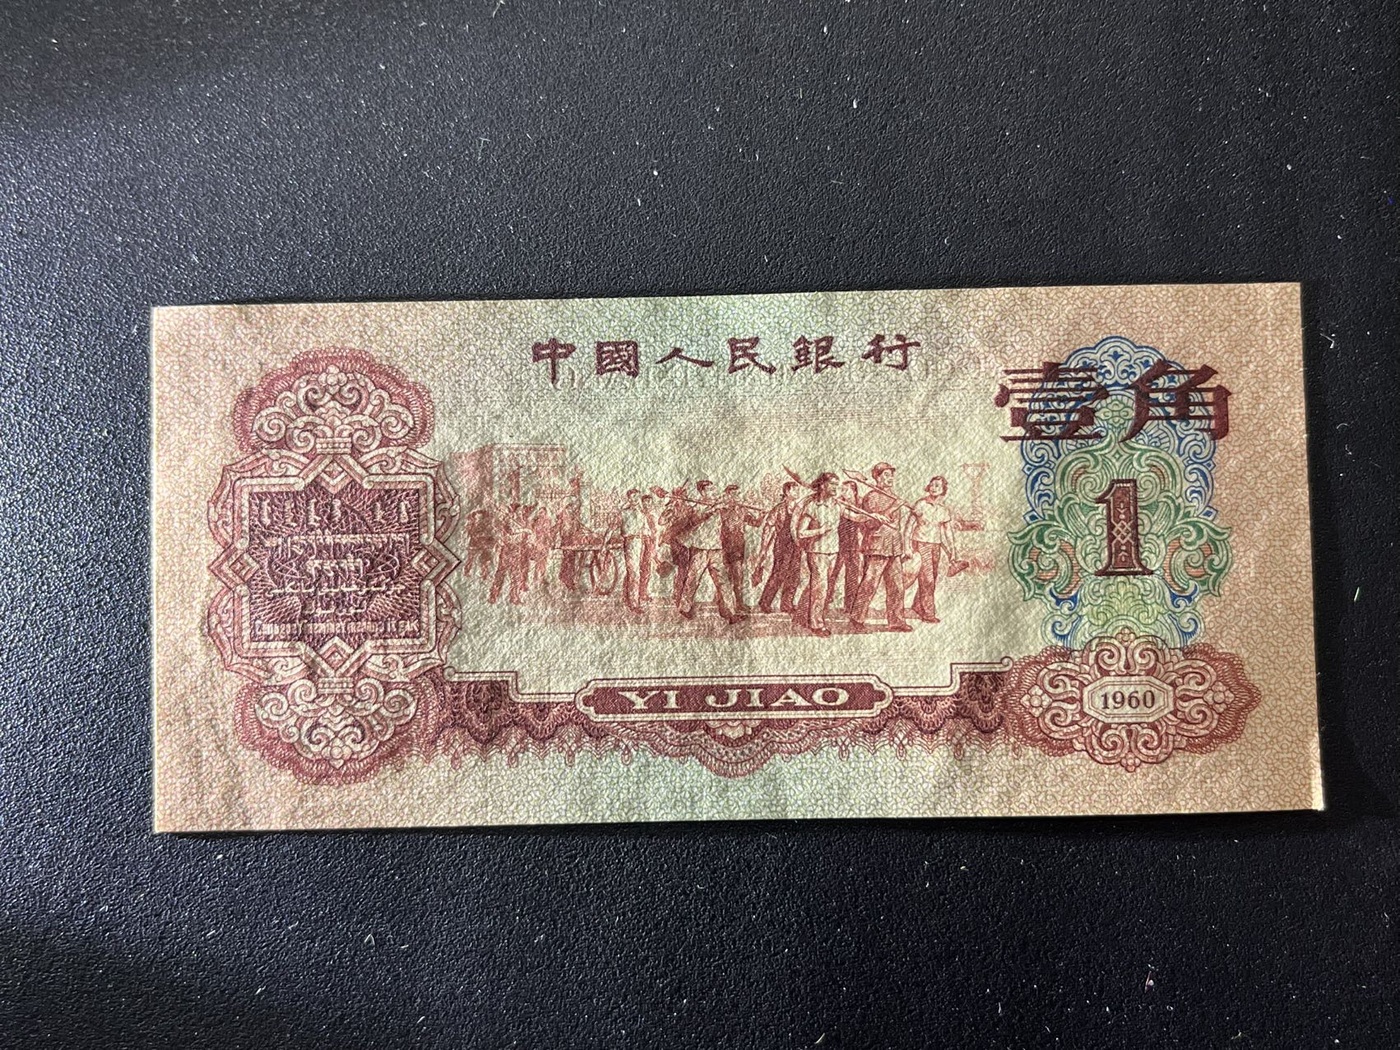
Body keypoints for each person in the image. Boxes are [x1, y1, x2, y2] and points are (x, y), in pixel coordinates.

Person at [793, 472, 870, 636]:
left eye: (837, 484)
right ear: (823, 486)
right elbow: (801, 532)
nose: (836, 487)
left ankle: (801, 615)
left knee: (820, 585)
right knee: (821, 587)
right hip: (817, 551)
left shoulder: (837, 505)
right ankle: (817, 624)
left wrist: (872, 516)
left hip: (832, 551)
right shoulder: (812, 506)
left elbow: (854, 517)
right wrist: (820, 530)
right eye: (833, 484)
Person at [850, 462, 913, 632]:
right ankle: (857, 617)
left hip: (894, 546)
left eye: (891, 475)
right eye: (885, 475)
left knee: (897, 586)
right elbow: (870, 523)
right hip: (877, 546)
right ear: (877, 477)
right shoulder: (871, 497)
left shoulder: (893, 496)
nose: (890, 478)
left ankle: (897, 621)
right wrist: (894, 507)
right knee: (870, 583)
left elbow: (896, 524)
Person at [676, 481, 744, 623]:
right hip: (700, 549)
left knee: (723, 581)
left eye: (714, 490)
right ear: (702, 492)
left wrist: (732, 506)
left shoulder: (719, 505)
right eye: (710, 490)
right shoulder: (697, 507)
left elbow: (729, 520)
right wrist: (712, 510)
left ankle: (730, 612)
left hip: (716, 549)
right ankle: (684, 607)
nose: (714, 493)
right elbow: (696, 519)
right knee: (693, 578)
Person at [906, 475, 962, 623]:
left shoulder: (944, 510)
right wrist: (907, 546)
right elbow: (909, 526)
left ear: (943, 489)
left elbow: (948, 532)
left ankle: (918, 606)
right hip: (920, 543)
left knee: (932, 577)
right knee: (928, 579)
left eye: (937, 485)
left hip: (935, 545)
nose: (933, 488)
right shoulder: (921, 504)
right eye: (932, 485)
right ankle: (928, 613)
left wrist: (953, 551)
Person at [756, 481, 805, 614]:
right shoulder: (779, 509)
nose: (798, 492)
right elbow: (768, 526)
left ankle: (786, 604)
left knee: (794, 575)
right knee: (779, 573)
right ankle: (765, 602)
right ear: (787, 492)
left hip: (796, 544)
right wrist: (764, 547)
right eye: (794, 490)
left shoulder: (800, 509)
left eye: (798, 490)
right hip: (782, 544)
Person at [720, 484, 764, 613]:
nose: (737, 497)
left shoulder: (742, 510)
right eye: (734, 494)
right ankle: (725, 605)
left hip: (738, 546)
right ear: (728, 495)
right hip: (723, 546)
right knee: (724, 577)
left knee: (738, 576)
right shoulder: (722, 509)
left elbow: (755, 523)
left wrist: (761, 516)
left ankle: (739, 603)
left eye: (738, 494)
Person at [828, 479, 864, 613]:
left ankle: (850, 605)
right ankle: (825, 601)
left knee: (852, 574)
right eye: (841, 490)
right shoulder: (838, 502)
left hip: (853, 543)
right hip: (838, 542)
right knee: (832, 572)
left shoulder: (860, 503)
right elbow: (855, 518)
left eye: (845, 490)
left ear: (853, 491)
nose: (842, 492)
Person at [488, 503, 530, 606]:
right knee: (501, 574)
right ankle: (493, 596)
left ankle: (514, 597)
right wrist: (524, 530)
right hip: (508, 549)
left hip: (517, 549)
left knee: (516, 575)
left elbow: (523, 537)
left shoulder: (522, 521)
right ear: (514, 511)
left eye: (522, 511)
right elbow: (511, 531)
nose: (521, 512)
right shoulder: (509, 520)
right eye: (519, 510)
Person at [620, 488, 653, 614]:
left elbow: (646, 530)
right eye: (632, 497)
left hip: (641, 543)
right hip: (630, 542)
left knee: (639, 571)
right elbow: (617, 529)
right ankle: (634, 604)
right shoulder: (624, 513)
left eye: (637, 497)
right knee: (633, 572)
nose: (635, 500)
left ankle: (632, 598)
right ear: (628, 498)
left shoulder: (641, 514)